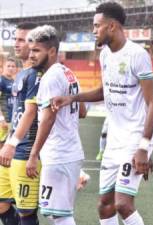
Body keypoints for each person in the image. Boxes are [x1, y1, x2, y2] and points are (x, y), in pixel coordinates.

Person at [52, 2, 153, 225]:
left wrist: (143, 146)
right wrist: (73, 98)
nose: (93, 30)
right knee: (104, 206)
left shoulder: (137, 55)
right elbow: (104, 90)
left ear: (111, 26)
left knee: (122, 203)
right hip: (113, 142)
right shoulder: (105, 55)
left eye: (96, 25)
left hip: (135, 138)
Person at [21, 24, 82, 225]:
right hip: (70, 150)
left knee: (59, 215)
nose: (31, 55)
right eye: (31, 50)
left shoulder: (50, 77)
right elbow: (82, 111)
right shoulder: (68, 73)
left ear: (52, 51)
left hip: (59, 153)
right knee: (60, 213)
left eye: (37, 51)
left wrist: (33, 155)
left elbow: (47, 119)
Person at [0, 22, 40, 225]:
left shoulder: (35, 75)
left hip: (25, 151)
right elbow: (18, 113)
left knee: (27, 213)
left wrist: (11, 143)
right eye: (15, 39)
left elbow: (31, 113)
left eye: (21, 40)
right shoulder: (21, 74)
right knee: (2, 204)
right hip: (12, 147)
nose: (16, 43)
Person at [0, 57, 17, 148]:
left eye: (13, 66)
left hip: (12, 119)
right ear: (3, 67)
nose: (11, 68)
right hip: (3, 120)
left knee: (8, 145)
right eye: (8, 66)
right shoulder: (1, 80)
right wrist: (1, 119)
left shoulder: (14, 81)